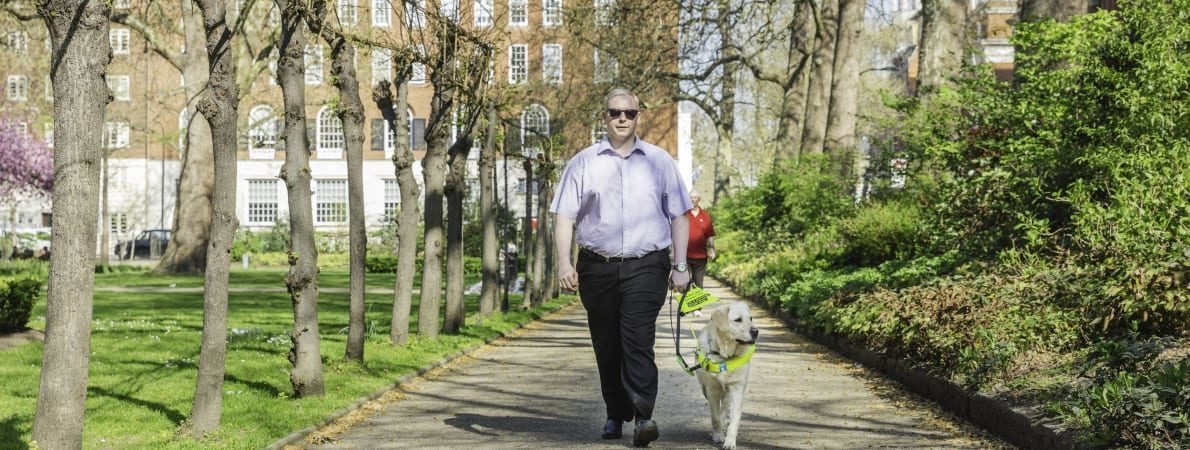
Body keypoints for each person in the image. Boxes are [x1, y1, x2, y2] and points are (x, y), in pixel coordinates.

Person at [552, 88, 692, 447]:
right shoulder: (584, 162)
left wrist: (680, 265)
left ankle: (644, 416)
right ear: (605, 117)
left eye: (629, 113)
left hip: (647, 265)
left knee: (638, 339)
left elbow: (678, 215)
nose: (622, 119)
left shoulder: (660, 161)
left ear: (638, 116)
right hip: (597, 267)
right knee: (607, 345)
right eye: (615, 112)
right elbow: (565, 214)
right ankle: (616, 413)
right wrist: (564, 262)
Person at [685, 190, 716, 288]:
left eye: (694, 197)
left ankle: (698, 304)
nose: (692, 199)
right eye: (690, 197)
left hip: (700, 257)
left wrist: (712, 249)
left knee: (699, 285)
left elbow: (709, 234)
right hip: (685, 255)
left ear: (699, 199)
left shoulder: (705, 216)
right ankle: (687, 303)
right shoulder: (684, 215)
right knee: (687, 284)